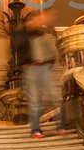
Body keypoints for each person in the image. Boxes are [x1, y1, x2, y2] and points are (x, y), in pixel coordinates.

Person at [20, 8, 60, 138]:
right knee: (35, 101)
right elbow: (17, 45)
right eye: (36, 19)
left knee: (54, 96)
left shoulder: (46, 35)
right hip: (31, 69)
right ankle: (35, 130)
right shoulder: (24, 35)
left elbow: (53, 53)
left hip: (44, 69)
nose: (39, 21)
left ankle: (61, 125)